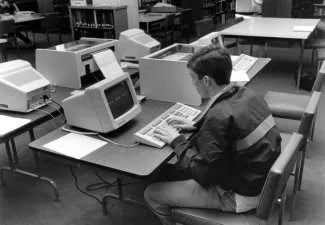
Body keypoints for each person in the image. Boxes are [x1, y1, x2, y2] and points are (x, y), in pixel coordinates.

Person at [144, 45, 282, 225]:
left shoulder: (218, 117)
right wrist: (198, 125)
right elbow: (234, 128)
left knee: (152, 193)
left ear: (207, 81)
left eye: (193, 78)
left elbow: (204, 176)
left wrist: (176, 141)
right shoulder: (249, 94)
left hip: (240, 195)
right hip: (260, 181)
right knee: (174, 170)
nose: (192, 83)